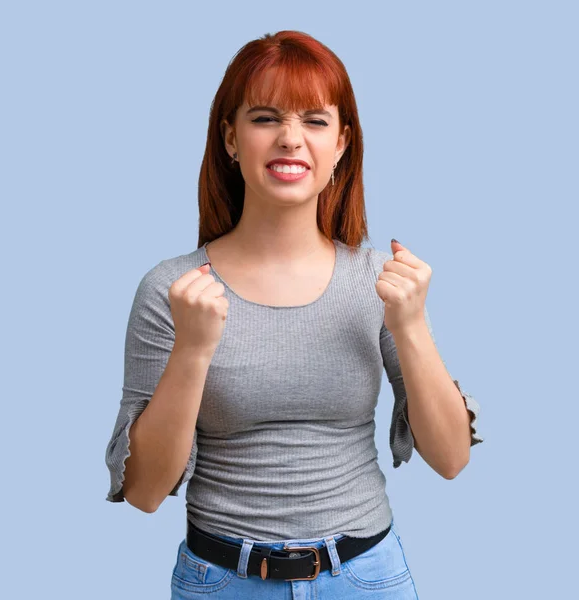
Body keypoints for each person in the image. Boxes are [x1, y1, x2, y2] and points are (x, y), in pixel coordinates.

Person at [104, 30, 483, 599]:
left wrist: (409, 325)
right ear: (231, 139)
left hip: (367, 579)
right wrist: (193, 349)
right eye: (264, 118)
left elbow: (451, 459)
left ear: (342, 143)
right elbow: (144, 492)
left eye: (314, 120)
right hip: (222, 581)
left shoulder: (380, 283)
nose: (290, 140)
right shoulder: (172, 290)